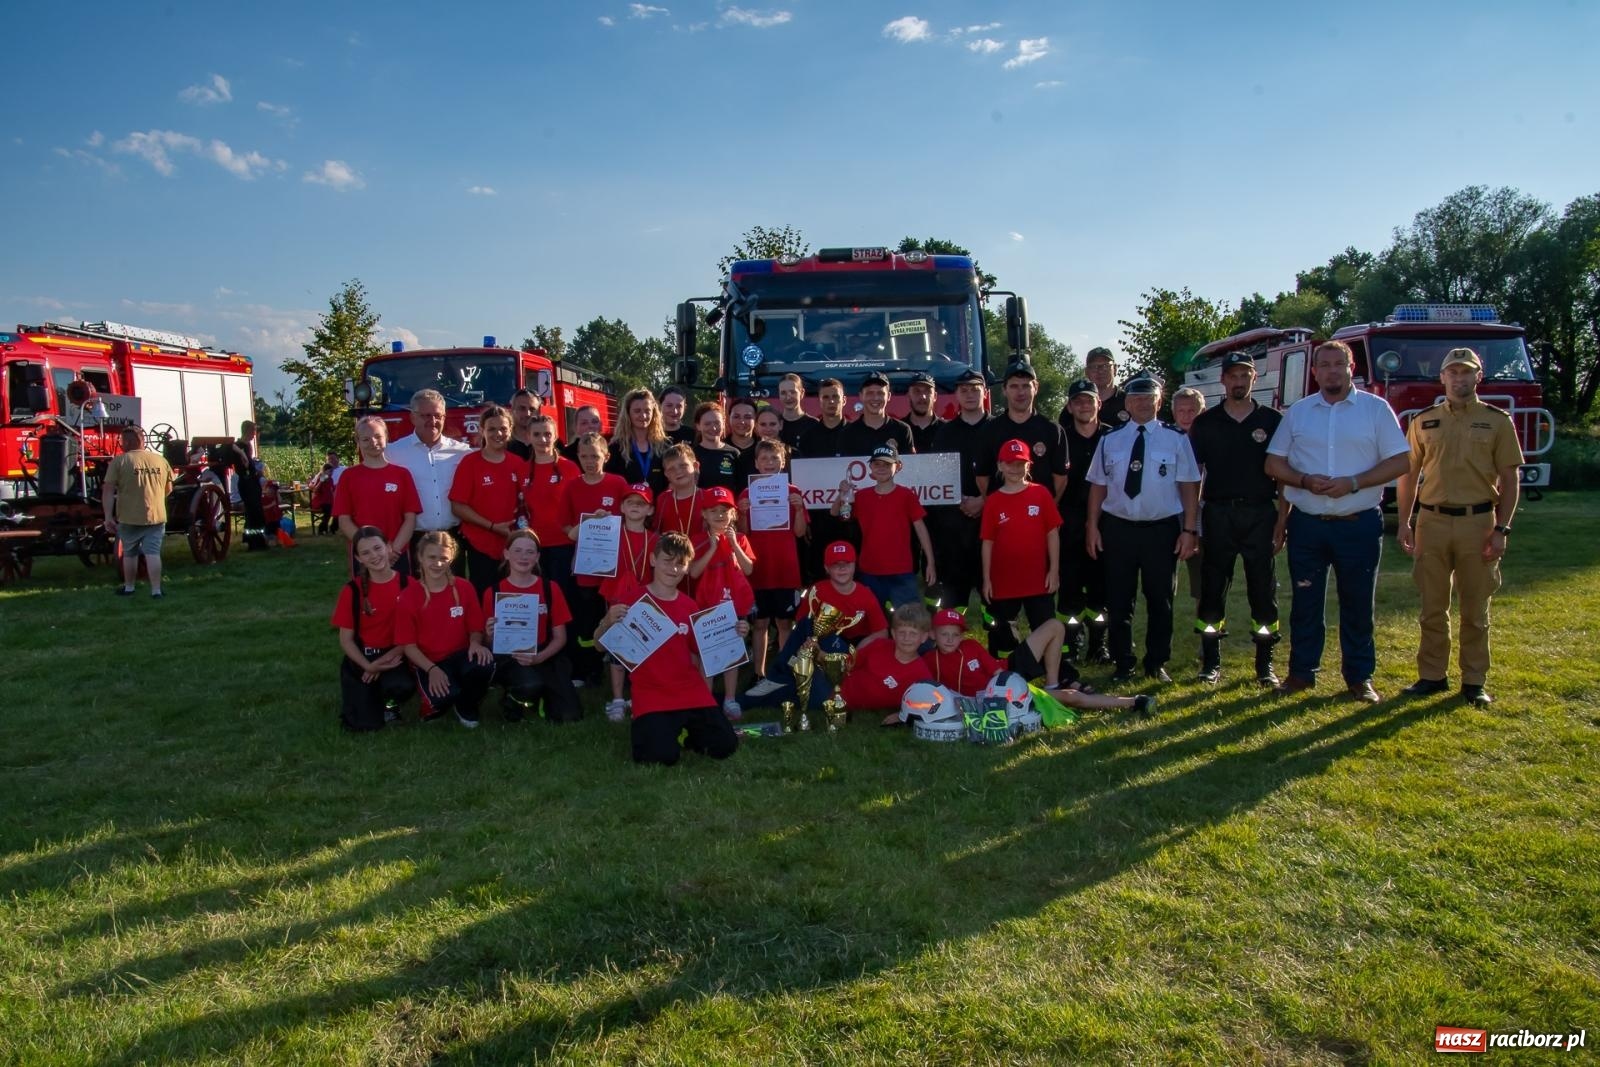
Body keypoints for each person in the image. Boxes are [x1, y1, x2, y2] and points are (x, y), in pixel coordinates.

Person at [1265, 340, 1411, 702]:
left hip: (1357, 523)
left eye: (1338, 364)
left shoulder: (1376, 411)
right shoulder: (1299, 412)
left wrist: (1354, 482)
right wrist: (1303, 480)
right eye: (1324, 365)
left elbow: (1400, 462)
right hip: (1309, 524)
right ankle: (1301, 674)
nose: (1331, 371)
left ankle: (1360, 678)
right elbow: (1273, 464)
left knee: (1358, 603)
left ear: (1351, 368)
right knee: (1305, 602)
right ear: (1314, 371)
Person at [1395, 347, 1521, 706]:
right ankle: (1432, 676)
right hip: (1431, 522)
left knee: (1475, 608)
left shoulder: (1497, 421)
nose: (1459, 379)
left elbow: (1511, 479)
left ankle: (1474, 680)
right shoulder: (1424, 421)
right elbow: (1408, 475)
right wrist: (1405, 521)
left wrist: (1502, 529)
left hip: (1477, 522)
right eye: (1453, 372)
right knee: (1432, 606)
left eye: (1467, 372)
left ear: (1478, 377)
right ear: (1443, 377)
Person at [1086, 375, 1201, 685]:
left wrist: (1189, 530)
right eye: (1136, 398)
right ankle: (1123, 663)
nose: (1142, 403)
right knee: (1119, 600)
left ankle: (1156, 662)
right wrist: (1092, 527)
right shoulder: (1110, 441)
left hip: (1160, 530)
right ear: (1127, 403)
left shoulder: (1175, 439)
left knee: (1160, 599)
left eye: (1149, 398)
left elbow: (1190, 486)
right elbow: (1098, 486)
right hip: (1118, 529)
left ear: (1159, 402)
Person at [597, 532, 743, 766]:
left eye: (680, 564)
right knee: (659, 757)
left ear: (687, 568)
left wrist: (733, 633)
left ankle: (685, 733)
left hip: (689, 690)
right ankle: (667, 731)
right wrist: (606, 622)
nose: (673, 569)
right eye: (667, 560)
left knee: (725, 746)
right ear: (653, 560)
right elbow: (599, 645)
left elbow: (704, 650)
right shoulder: (631, 600)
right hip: (651, 693)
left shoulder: (689, 605)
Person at [1187, 353, 1286, 685]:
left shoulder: (1272, 421)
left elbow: (1284, 476)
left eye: (1245, 374)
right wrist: (1194, 523)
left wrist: (1281, 520)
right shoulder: (1205, 422)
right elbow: (1194, 475)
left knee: (1262, 588)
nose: (1239, 381)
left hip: (1260, 512)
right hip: (1217, 513)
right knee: (1213, 589)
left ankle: (1264, 665)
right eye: (1233, 375)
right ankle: (1211, 663)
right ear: (1223, 380)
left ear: (1254, 378)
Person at [922, 609, 1154, 718]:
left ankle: (1051, 684)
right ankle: (1134, 702)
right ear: (932, 635)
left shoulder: (971, 646)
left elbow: (996, 671)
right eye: (944, 634)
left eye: (955, 634)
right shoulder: (929, 661)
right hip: (992, 699)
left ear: (962, 635)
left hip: (1007, 677)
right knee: (1072, 697)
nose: (950, 639)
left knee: (1054, 625)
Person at [981, 439, 1072, 682]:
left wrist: (1054, 570)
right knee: (1003, 633)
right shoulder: (993, 501)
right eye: (1009, 463)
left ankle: (1054, 680)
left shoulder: (1040, 494)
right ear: (1000, 466)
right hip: (1003, 581)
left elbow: (1052, 534)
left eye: (1020, 463)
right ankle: (1006, 679)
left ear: (1029, 465)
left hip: (1037, 579)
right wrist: (986, 578)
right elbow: (987, 542)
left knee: (1047, 627)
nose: (1015, 468)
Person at [396, 531, 495, 727]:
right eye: (432, 557)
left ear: (451, 560)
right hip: (428, 660)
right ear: (420, 558)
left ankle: (466, 704)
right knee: (441, 700)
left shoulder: (464, 588)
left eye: (444, 558)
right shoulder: (408, 596)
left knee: (484, 663)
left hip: (460, 655)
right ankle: (436, 702)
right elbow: (408, 645)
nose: (438, 563)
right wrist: (432, 669)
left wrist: (476, 643)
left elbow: (475, 627)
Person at [482, 529, 580, 723]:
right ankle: (513, 700)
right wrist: (489, 634)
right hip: (509, 656)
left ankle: (541, 696)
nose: (523, 557)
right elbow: (488, 642)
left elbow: (560, 637)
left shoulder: (550, 588)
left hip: (544, 654)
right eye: (517, 551)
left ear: (537, 557)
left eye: (529, 552)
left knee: (570, 715)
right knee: (529, 685)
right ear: (506, 554)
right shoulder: (493, 592)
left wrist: (539, 658)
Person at [560, 431, 631, 683]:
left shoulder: (618, 484)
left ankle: (623, 664)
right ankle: (589, 669)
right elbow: (566, 528)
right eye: (585, 456)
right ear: (578, 456)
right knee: (588, 619)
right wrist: (583, 526)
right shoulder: (572, 487)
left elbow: (631, 519)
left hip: (616, 566)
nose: (590, 461)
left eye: (595, 456)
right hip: (587, 567)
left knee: (619, 614)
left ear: (606, 456)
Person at [739, 438, 807, 697]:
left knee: (785, 624)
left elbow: (800, 533)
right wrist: (743, 513)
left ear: (782, 462)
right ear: (756, 463)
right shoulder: (747, 493)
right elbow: (743, 534)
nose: (769, 463)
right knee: (760, 624)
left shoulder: (793, 491)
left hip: (786, 569)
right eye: (764, 459)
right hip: (758, 570)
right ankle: (759, 673)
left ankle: (784, 673)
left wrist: (799, 509)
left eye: (774, 459)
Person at [332, 525, 415, 731]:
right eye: (366, 552)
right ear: (359, 559)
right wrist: (368, 665)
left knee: (401, 686)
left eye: (378, 548)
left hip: (397, 654)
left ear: (388, 548)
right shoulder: (352, 590)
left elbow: (415, 634)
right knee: (362, 724)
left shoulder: (409, 584)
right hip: (363, 658)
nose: (374, 556)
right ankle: (370, 696)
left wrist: (384, 660)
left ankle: (391, 705)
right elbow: (346, 640)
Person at [833, 443, 934, 610]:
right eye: (877, 464)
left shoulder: (906, 495)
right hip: (870, 570)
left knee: (909, 621)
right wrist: (841, 493)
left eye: (887, 464)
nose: (881, 468)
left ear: (898, 467)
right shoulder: (862, 496)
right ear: (870, 467)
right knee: (871, 621)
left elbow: (921, 529)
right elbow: (836, 513)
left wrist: (930, 562)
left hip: (901, 570)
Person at [925, 368, 991, 617]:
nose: (970, 394)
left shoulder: (998, 428)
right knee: (953, 593)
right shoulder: (944, 433)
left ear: (984, 393)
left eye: (975, 389)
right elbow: (938, 477)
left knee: (992, 594)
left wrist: (983, 501)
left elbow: (1009, 474)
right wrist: (961, 501)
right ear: (956, 395)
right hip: (953, 523)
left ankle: (1000, 648)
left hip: (990, 521)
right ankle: (951, 644)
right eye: (964, 390)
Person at [1056, 379, 1112, 664]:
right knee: (1069, 587)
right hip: (1069, 520)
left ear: (1098, 403)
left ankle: (1099, 645)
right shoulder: (1060, 438)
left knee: (1101, 587)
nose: (1084, 405)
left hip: (1107, 520)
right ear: (1069, 406)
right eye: (1078, 401)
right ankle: (1069, 644)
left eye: (1089, 400)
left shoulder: (1114, 438)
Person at [689, 485, 757, 720]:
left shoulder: (740, 538)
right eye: (713, 510)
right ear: (704, 515)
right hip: (707, 607)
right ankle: (706, 700)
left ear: (734, 514)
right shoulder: (697, 540)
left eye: (725, 511)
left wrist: (734, 545)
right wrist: (712, 547)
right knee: (706, 653)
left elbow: (748, 568)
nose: (719, 515)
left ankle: (730, 698)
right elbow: (694, 573)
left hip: (734, 605)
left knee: (731, 652)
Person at [449, 403, 531, 594]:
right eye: (492, 429)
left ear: (510, 430)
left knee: (513, 598)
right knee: (484, 598)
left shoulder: (518, 463)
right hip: (480, 546)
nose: (498, 434)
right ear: (482, 430)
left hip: (514, 545)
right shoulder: (470, 463)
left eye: (503, 428)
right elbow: (458, 506)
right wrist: (493, 526)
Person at [388, 389, 471, 565]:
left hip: (452, 537)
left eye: (438, 416)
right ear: (413, 417)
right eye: (426, 416)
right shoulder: (393, 453)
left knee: (453, 589)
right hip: (413, 538)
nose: (432, 421)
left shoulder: (462, 452)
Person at [334, 416, 421, 577]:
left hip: (397, 554)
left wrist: (394, 550)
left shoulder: (402, 475)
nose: (373, 442)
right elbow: (344, 521)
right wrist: (369, 550)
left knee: (402, 599)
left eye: (378, 437)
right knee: (367, 600)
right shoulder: (348, 476)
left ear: (386, 437)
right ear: (358, 442)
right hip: (365, 556)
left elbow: (410, 518)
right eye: (366, 439)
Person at [599, 484, 657, 722]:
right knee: (616, 645)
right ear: (621, 507)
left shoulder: (655, 538)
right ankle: (617, 699)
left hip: (645, 599)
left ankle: (639, 692)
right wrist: (597, 522)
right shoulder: (609, 532)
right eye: (630, 502)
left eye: (641, 503)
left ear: (650, 510)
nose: (635, 506)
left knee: (643, 644)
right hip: (615, 596)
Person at [976, 361, 1068, 502]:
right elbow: (982, 478)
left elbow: (1060, 478)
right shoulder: (989, 430)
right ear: (1004, 390)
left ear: (1036, 388)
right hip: (1003, 515)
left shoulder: (1052, 430)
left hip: (1039, 516)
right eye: (1014, 386)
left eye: (1026, 386)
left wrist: (1046, 512)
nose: (1020, 392)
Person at [102, 426, 174, 598]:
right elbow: (169, 489)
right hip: (156, 515)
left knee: (129, 553)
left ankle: (129, 587)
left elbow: (108, 491)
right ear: (143, 440)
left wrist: (107, 517)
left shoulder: (119, 462)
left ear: (126, 442)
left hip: (129, 516)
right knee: (153, 552)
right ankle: (156, 590)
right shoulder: (160, 460)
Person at [522, 412, 581, 612]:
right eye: (537, 435)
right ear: (528, 437)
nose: (542, 439)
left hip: (564, 545)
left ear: (556, 436)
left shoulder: (569, 468)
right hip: (534, 547)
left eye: (547, 434)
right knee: (539, 600)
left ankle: (566, 642)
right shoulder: (522, 470)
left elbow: (578, 507)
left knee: (563, 599)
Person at [797, 377, 852, 583]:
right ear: (819, 401)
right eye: (826, 397)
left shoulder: (855, 433)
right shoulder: (809, 437)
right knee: (820, 570)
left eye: (835, 397)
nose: (831, 402)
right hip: (818, 516)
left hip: (850, 517)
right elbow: (804, 479)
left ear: (844, 400)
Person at [839, 603, 936, 717]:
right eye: (902, 632)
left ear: (924, 637)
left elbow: (930, 704)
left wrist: (902, 715)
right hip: (838, 689)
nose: (906, 638)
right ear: (893, 633)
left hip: (856, 708)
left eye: (913, 634)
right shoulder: (878, 645)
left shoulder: (921, 674)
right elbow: (848, 664)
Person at [606, 388, 669, 497]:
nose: (643, 416)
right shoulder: (616, 448)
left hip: (657, 510)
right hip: (627, 511)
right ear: (628, 413)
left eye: (647, 411)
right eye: (637, 411)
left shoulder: (665, 446)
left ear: (653, 413)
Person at [839, 371, 914, 457]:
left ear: (888, 396)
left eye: (880, 393)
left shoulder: (902, 430)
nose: (875, 398)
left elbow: (909, 467)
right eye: (870, 393)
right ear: (861, 396)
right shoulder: (847, 434)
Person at [653, 443, 708, 540]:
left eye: (683, 466)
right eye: (671, 469)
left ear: (695, 466)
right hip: (670, 553)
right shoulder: (663, 498)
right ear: (666, 474)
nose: (678, 471)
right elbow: (657, 532)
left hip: (703, 552)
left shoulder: (708, 497)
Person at [689, 401, 741, 492]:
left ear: (724, 424)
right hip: (701, 505)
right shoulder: (691, 455)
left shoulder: (734, 453)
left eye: (717, 423)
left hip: (728, 506)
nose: (713, 428)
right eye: (707, 424)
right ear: (698, 426)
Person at [233, 420, 270, 550]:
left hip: (251, 482)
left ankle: (257, 540)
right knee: (254, 512)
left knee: (256, 512)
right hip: (246, 482)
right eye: (253, 431)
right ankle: (254, 542)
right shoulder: (239, 445)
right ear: (248, 430)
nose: (255, 434)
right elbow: (246, 464)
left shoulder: (247, 445)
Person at [1085, 346, 1129, 427]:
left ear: (1115, 369)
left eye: (1106, 366)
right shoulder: (1078, 406)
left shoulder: (1130, 402)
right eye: (1094, 367)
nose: (1100, 371)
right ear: (1086, 372)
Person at [776, 373, 819, 451]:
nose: (788, 397)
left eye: (793, 392)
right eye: (783, 393)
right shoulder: (774, 424)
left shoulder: (814, 425)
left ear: (802, 393)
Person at [904, 371, 943, 454]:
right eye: (917, 391)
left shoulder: (947, 430)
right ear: (908, 396)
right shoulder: (898, 430)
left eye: (927, 391)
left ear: (935, 396)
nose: (923, 397)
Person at [726, 396, 760, 482]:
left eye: (747, 417)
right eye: (736, 416)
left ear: (755, 420)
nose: (742, 421)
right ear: (728, 418)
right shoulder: (720, 449)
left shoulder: (764, 449)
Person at [308, 452, 342, 535]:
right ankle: (322, 528)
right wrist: (322, 480)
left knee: (337, 510)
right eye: (329, 472)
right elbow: (315, 490)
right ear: (325, 471)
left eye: (331, 472)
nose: (331, 473)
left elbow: (333, 490)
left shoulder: (330, 480)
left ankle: (332, 529)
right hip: (320, 501)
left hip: (329, 500)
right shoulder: (322, 477)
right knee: (329, 510)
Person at [505, 388, 543, 461]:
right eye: (522, 408)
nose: (527, 414)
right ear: (512, 410)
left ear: (538, 412)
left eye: (532, 409)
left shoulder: (550, 443)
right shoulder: (502, 442)